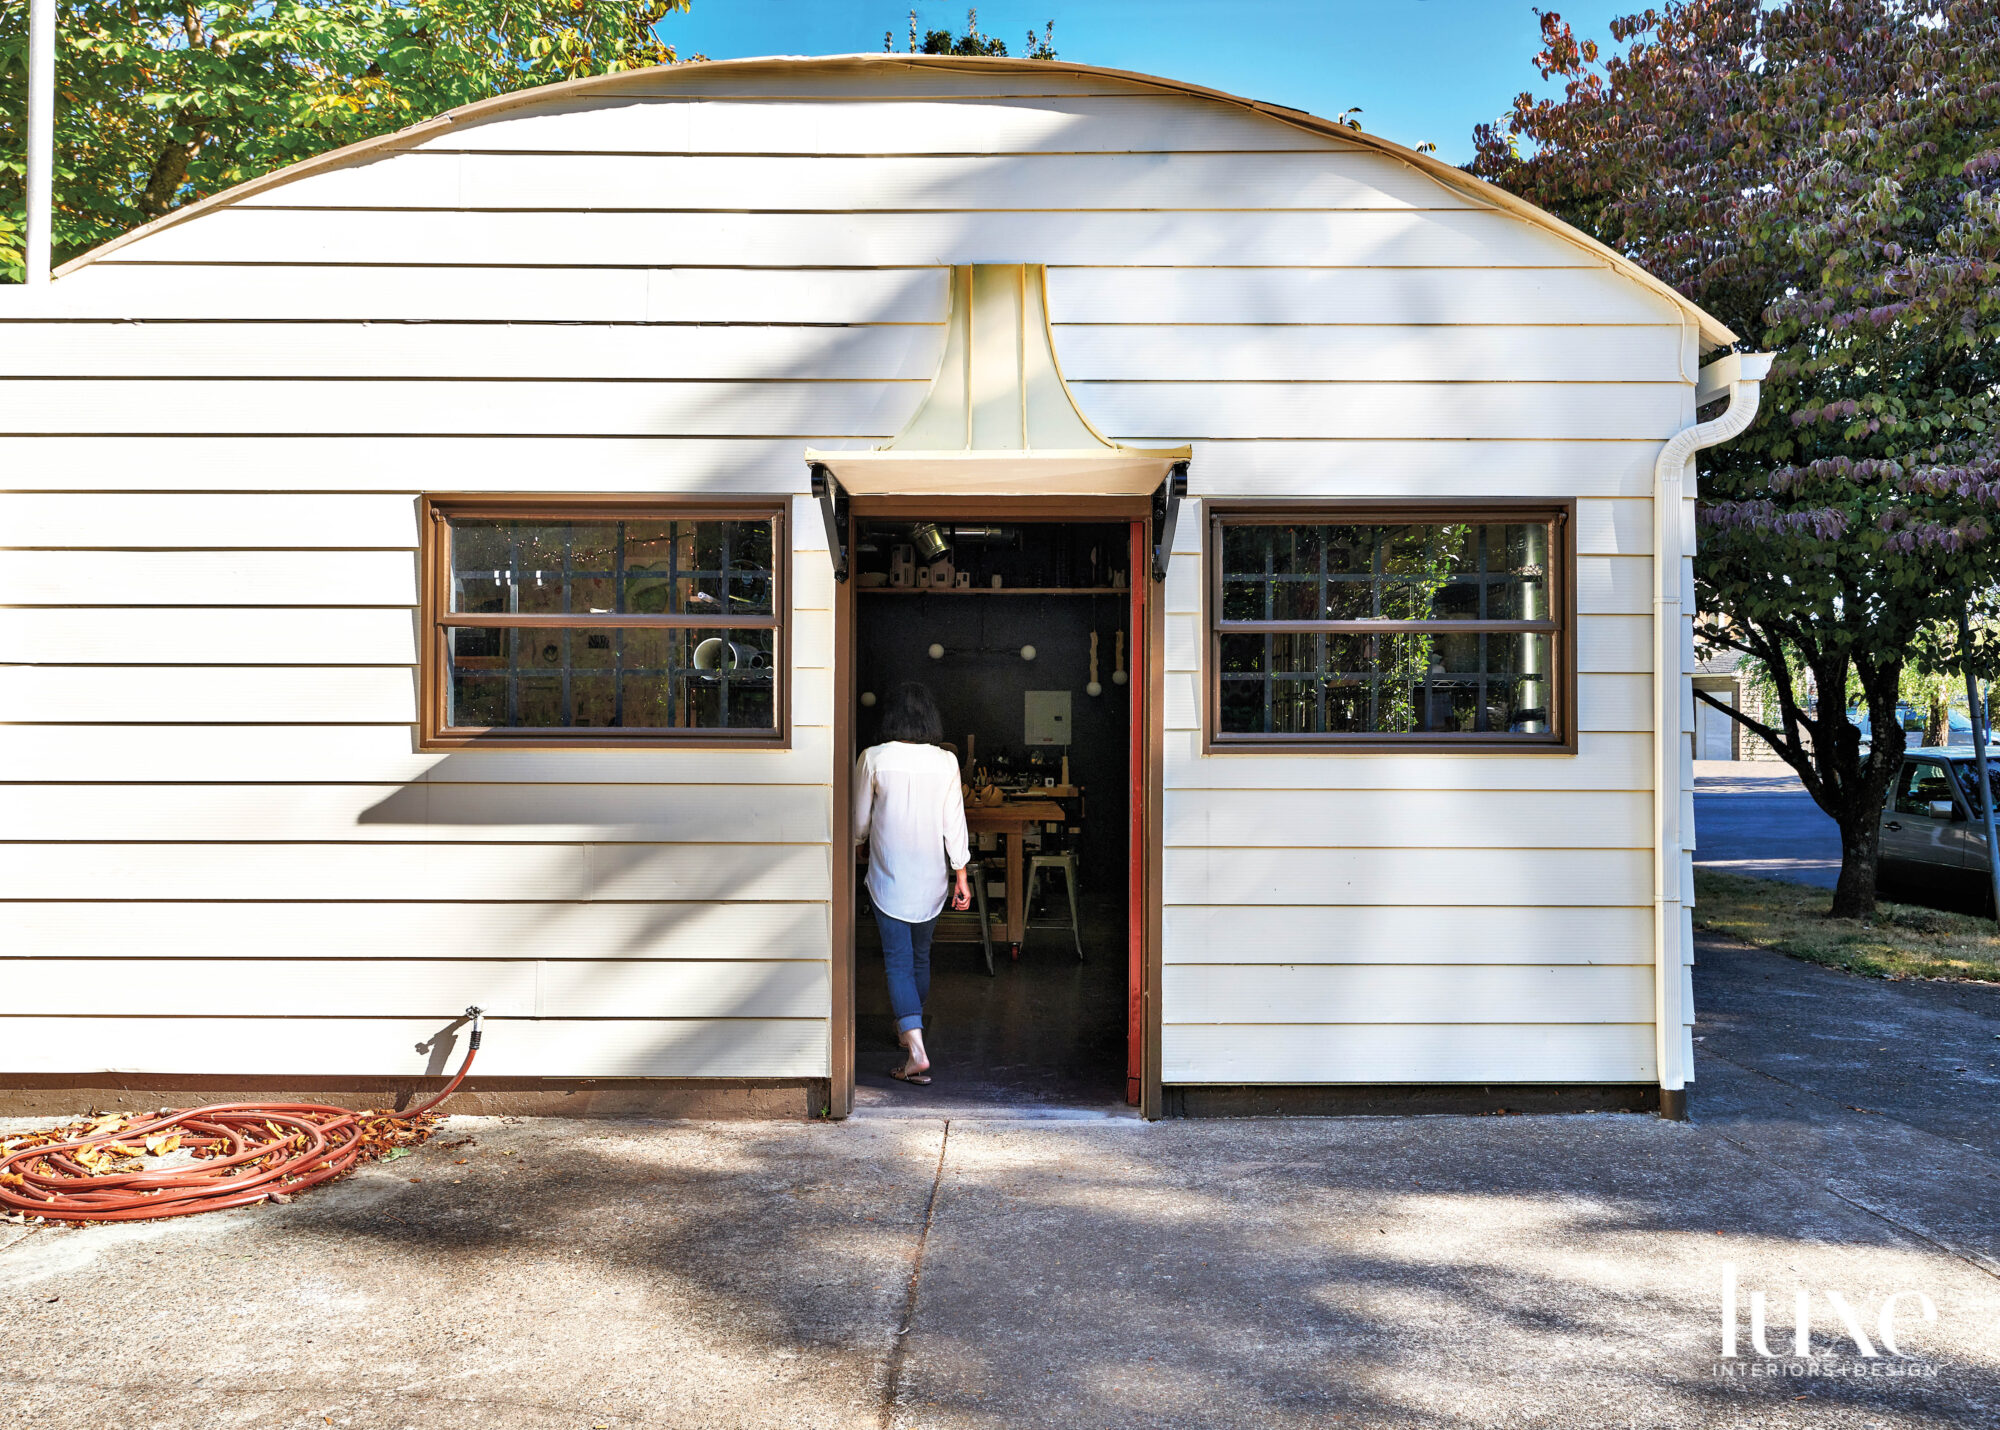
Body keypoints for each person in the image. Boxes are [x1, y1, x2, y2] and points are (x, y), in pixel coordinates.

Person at [853, 682, 971, 1085]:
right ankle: (910, 1031)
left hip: (888, 876)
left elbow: (858, 823)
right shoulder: (946, 762)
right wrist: (961, 873)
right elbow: (954, 822)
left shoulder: (873, 758)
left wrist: (858, 846)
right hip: (932, 879)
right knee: (920, 958)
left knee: (898, 962)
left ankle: (916, 1049)